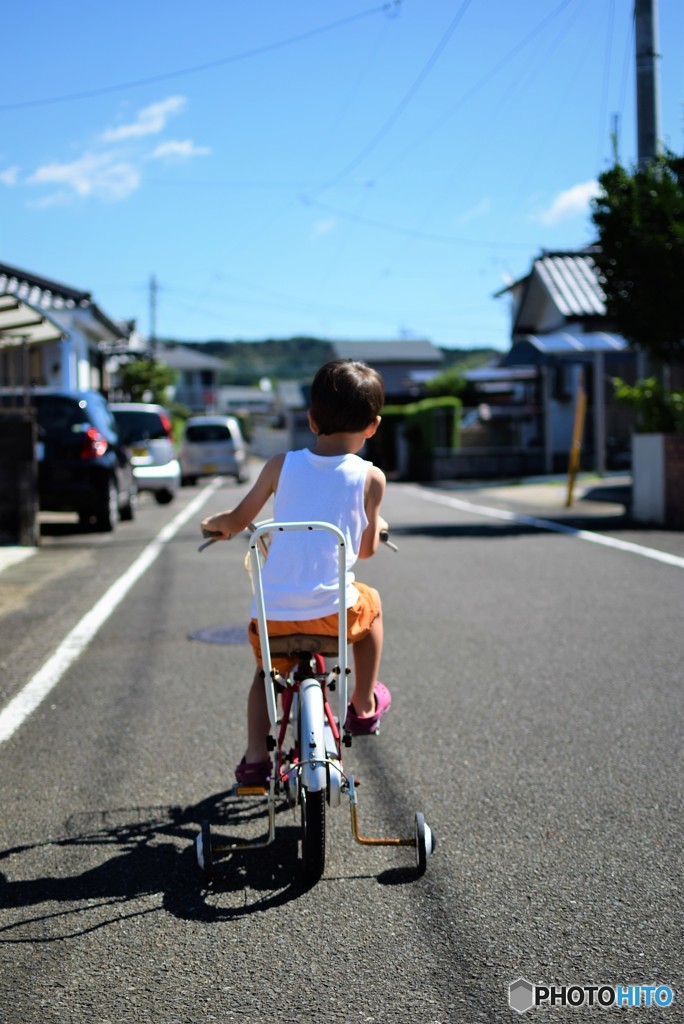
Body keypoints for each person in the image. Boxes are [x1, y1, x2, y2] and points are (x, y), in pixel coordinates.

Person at [200, 359, 391, 785]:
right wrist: (375, 526)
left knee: (264, 674)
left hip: (276, 617)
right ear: (373, 426)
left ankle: (254, 760)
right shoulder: (371, 478)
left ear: (310, 419)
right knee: (372, 604)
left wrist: (216, 525)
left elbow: (236, 519)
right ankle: (361, 704)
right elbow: (366, 549)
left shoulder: (279, 465)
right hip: (333, 616)